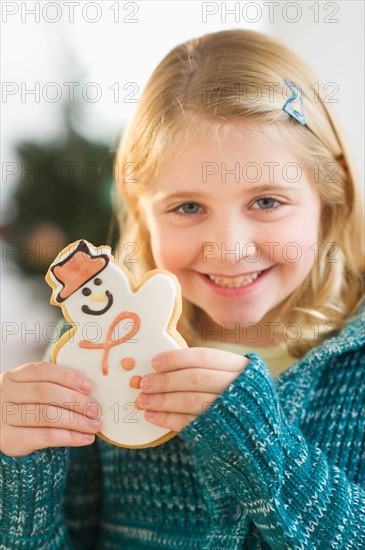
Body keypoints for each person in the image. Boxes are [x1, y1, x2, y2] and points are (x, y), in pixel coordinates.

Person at [1, 29, 364, 549]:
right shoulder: (97, 357)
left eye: (266, 201)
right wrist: (22, 471)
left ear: (332, 192)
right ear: (140, 207)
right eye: (188, 207)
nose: (228, 250)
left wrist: (262, 443)